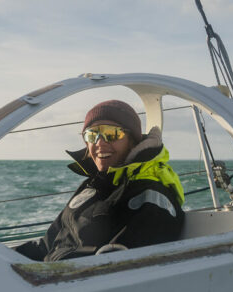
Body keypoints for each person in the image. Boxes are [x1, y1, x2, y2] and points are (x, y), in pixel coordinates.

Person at [15, 100, 185, 262]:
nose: (100, 142)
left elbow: (118, 270)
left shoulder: (151, 198)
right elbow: (47, 245)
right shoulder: (93, 186)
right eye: (92, 134)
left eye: (111, 133)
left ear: (133, 142)